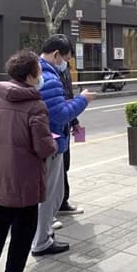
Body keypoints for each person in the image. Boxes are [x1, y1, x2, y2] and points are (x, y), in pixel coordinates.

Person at [0, 50, 58, 272]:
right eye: (39, 72)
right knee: (23, 227)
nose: (41, 76)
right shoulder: (35, 105)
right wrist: (53, 144)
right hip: (24, 177)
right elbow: (43, 146)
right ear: (31, 76)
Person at [31, 34, 96, 256]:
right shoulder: (49, 78)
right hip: (52, 143)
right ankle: (42, 241)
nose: (66, 64)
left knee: (51, 194)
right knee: (50, 195)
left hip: (44, 141)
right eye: (66, 59)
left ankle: (44, 236)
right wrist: (83, 100)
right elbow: (58, 115)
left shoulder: (39, 73)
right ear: (56, 54)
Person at [57, 59, 85, 217]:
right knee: (54, 170)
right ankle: (50, 211)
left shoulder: (65, 70)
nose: (66, 61)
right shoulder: (48, 74)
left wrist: (74, 121)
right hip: (55, 129)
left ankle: (62, 202)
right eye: (65, 56)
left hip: (66, 125)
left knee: (64, 166)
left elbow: (68, 97)